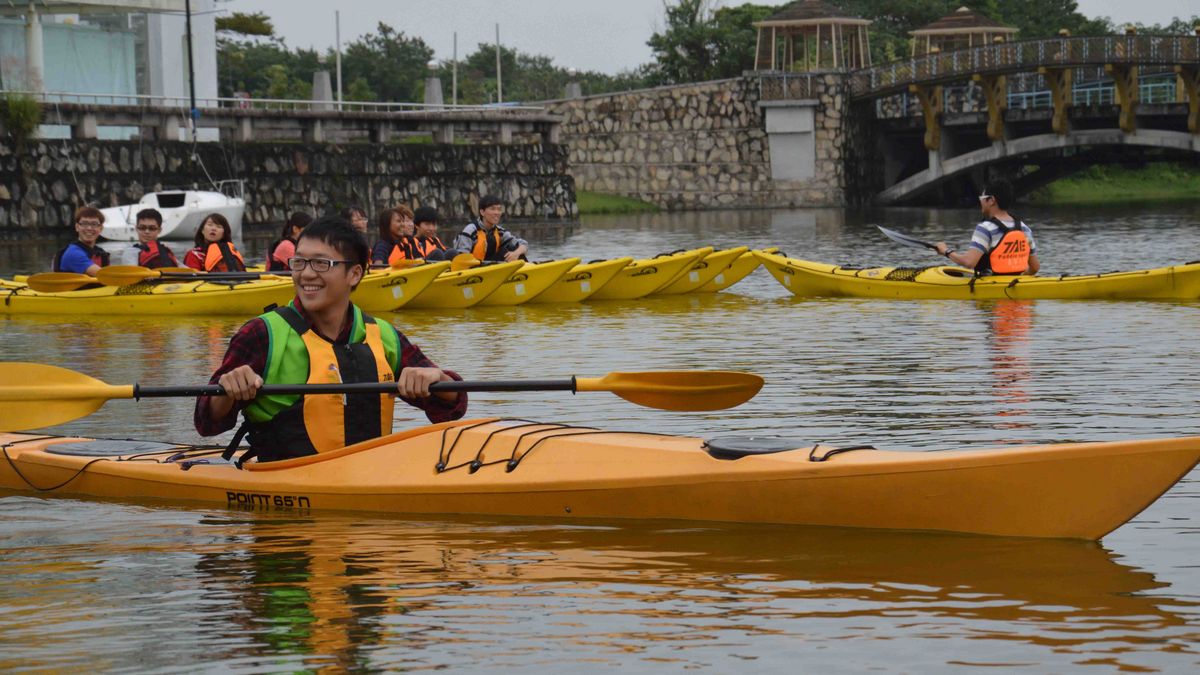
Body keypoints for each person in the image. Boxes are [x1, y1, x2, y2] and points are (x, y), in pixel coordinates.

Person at [194, 215, 467, 464]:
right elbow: (207, 422)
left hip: (368, 479)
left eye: (322, 263)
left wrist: (436, 379)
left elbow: (453, 406)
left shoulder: (382, 335)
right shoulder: (261, 334)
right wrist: (226, 390)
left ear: (355, 274)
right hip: (285, 491)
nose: (307, 274)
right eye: (299, 262)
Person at [935, 181, 1040, 277]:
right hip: (1015, 282)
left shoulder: (985, 228)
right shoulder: (1024, 228)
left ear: (991, 200)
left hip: (990, 285)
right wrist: (1020, 279)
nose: (980, 202)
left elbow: (969, 262)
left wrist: (946, 251)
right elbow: (1035, 267)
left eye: (982, 198)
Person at [452, 194, 528, 262]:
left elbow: (524, 244)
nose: (497, 213)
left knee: (514, 249)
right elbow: (460, 258)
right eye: (493, 209)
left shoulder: (499, 232)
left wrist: (516, 253)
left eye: (499, 209)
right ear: (482, 212)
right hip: (472, 270)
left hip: (491, 268)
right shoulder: (470, 230)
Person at [53, 206, 110, 276]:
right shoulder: (73, 253)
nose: (89, 228)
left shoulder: (99, 251)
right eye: (84, 224)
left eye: (94, 224)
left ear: (100, 228)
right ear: (77, 227)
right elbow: (106, 276)